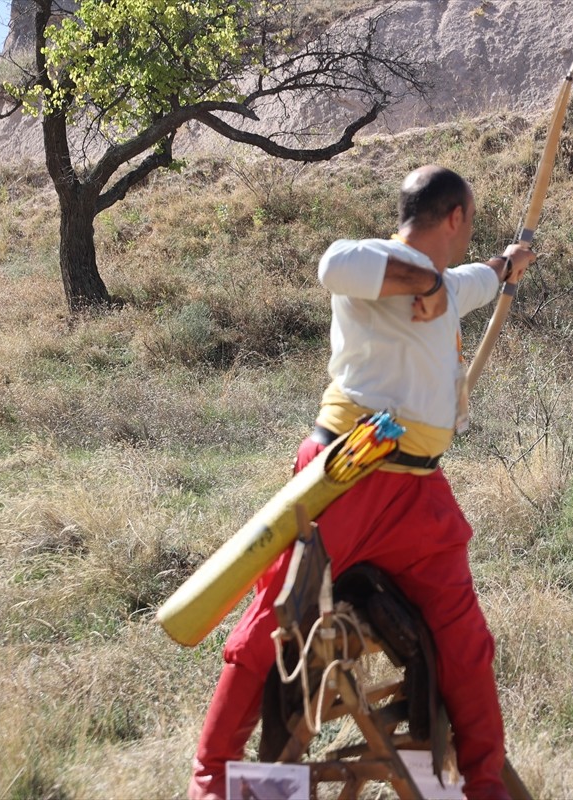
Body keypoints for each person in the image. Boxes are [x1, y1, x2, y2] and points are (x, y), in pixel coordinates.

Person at [188, 165, 535, 800]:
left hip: (420, 495)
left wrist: (507, 262)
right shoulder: (370, 261)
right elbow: (332, 265)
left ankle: (485, 786)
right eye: (470, 223)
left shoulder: (455, 285)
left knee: (464, 639)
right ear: (454, 216)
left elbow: (483, 278)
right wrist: (429, 280)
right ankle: (211, 782)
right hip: (347, 476)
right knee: (275, 619)